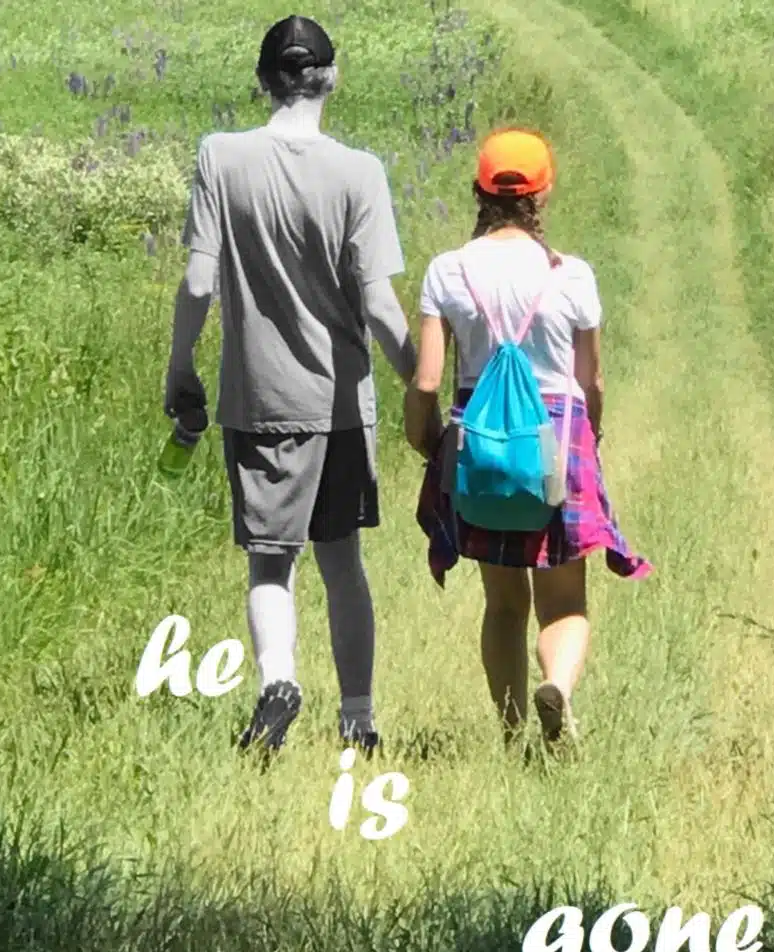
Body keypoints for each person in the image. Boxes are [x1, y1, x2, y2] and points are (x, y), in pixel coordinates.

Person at [163, 15, 417, 759]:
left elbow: (199, 281)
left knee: (270, 563)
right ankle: (358, 722)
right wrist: (423, 386)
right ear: (330, 78)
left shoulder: (221, 157)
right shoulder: (359, 172)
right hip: (339, 403)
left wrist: (181, 365)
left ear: (264, 80)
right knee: (342, 565)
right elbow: (379, 305)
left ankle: (278, 681)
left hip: (259, 400)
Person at [404, 129, 652, 750]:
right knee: (564, 601)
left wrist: (426, 440)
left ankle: (512, 736)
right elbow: (591, 380)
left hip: (483, 445)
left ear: (479, 190)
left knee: (503, 602)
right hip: (556, 438)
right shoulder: (572, 275)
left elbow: (427, 380)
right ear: (542, 193)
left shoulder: (448, 270)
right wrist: (591, 437)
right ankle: (558, 687)